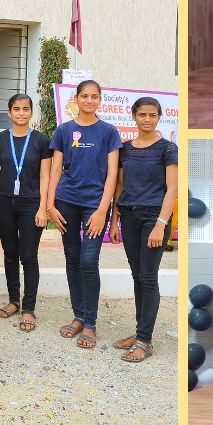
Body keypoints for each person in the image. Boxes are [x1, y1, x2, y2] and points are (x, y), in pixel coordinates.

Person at [46, 80, 121, 351]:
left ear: (100, 99)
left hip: (95, 204)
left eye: (94, 96)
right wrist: (50, 204)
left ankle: (90, 322)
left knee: (89, 260)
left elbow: (113, 174)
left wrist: (102, 210)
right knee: (72, 258)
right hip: (66, 201)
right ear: (76, 99)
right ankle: (78, 316)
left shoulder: (109, 132)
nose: (89, 100)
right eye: (84, 96)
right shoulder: (64, 130)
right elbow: (55, 169)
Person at [112, 97, 173, 362]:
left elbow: (173, 189)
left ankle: (144, 341)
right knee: (137, 276)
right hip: (129, 216)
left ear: (159, 117)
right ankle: (140, 333)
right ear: (134, 116)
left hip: (153, 218)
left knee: (148, 278)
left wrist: (160, 224)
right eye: (142, 115)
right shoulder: (125, 149)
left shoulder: (167, 148)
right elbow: (120, 185)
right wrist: (114, 220)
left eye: (152, 115)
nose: (147, 119)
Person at [0, 94, 48, 333]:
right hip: (3, 201)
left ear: (31, 112)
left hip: (31, 203)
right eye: (16, 109)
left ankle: (29, 308)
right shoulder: (0, 139)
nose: (21, 113)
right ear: (9, 113)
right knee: (10, 254)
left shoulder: (41, 140)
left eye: (25, 109)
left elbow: (45, 176)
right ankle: (14, 300)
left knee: (29, 256)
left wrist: (43, 207)